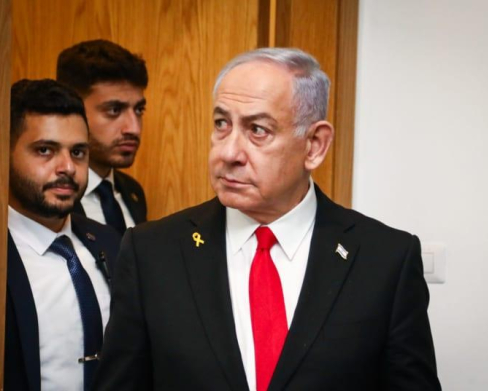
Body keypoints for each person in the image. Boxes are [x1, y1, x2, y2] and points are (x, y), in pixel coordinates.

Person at [94, 48, 441, 390]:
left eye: (258, 130)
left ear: (314, 145)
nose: (228, 153)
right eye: (221, 124)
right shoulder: (152, 253)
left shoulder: (386, 260)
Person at [4, 79, 121, 391]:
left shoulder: (112, 243)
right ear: (4, 153)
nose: (67, 167)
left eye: (78, 152)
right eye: (45, 150)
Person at [57, 39, 149, 234]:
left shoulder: (133, 192)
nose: (133, 128)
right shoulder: (52, 193)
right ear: (72, 109)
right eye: (114, 110)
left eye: (139, 110)